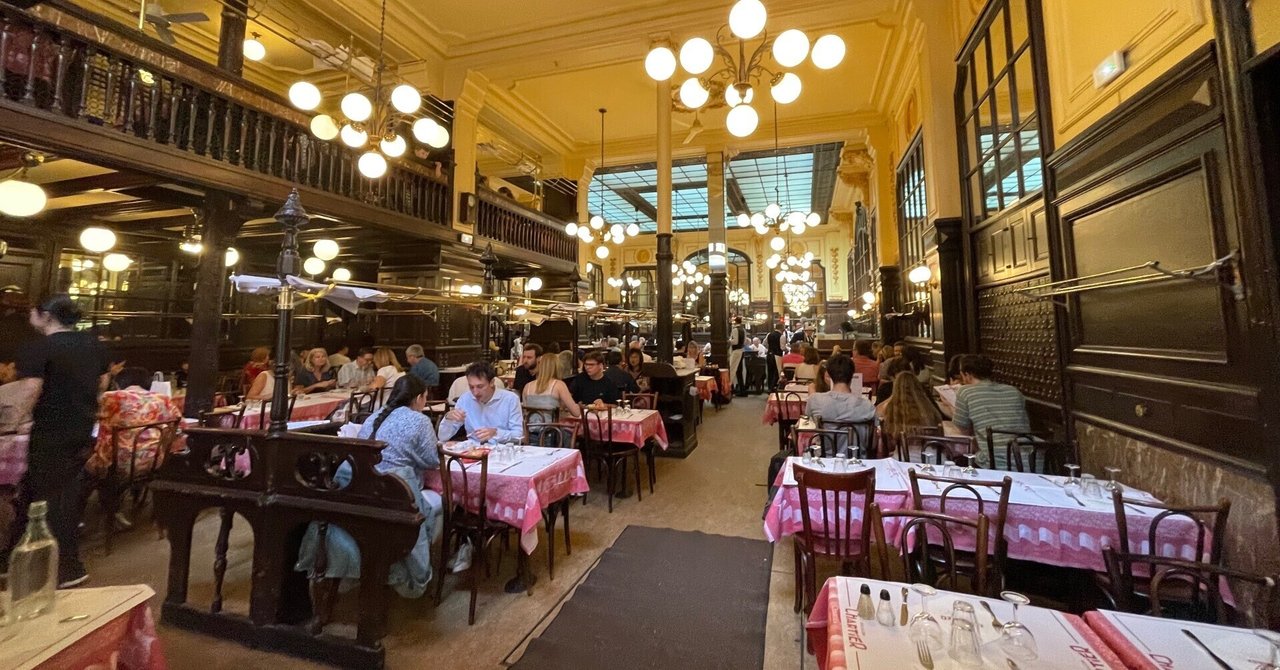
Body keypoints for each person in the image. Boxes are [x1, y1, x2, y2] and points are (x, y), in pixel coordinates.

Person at [296, 375, 440, 598]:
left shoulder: (374, 417)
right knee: (437, 504)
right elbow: (432, 460)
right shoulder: (419, 421)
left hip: (358, 489)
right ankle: (418, 572)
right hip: (395, 493)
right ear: (420, 397)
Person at [3, 294, 109, 587]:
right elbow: (103, 383)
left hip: (51, 431)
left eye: (32, 312)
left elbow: (30, 390)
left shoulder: (39, 348)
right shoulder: (93, 344)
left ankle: (69, 568)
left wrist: (12, 423)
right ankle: (10, 557)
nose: (30, 318)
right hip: (82, 428)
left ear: (46, 315)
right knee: (37, 490)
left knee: (55, 497)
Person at [91, 366, 182, 480]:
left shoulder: (111, 397)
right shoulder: (163, 399)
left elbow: (99, 426)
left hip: (117, 463)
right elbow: (179, 426)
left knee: (79, 463)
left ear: (119, 383)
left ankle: (92, 496)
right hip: (154, 462)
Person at [948, 354, 1031, 469]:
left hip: (993, 462)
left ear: (967, 374)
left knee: (954, 461)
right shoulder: (1014, 391)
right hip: (1028, 460)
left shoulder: (965, 392)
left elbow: (963, 430)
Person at [804, 354, 876, 454]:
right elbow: (873, 444)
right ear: (852, 375)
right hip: (858, 462)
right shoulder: (867, 405)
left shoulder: (815, 400)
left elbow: (809, 419)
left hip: (826, 461)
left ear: (829, 374)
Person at [437, 362, 523, 443]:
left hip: (501, 451)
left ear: (492, 382)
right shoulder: (465, 399)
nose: (475, 392)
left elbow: (519, 435)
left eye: (480, 386)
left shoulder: (510, 399)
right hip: (473, 452)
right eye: (471, 387)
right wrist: (448, 418)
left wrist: (496, 433)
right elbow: (442, 437)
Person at [523, 353, 582, 429]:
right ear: (557, 367)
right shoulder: (559, 385)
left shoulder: (527, 387)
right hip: (551, 433)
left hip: (530, 433)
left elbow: (525, 414)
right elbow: (576, 413)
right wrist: (579, 406)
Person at [878, 370, 943, 438]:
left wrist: (892, 396)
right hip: (928, 446)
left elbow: (877, 414)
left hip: (901, 447)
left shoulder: (891, 408)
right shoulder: (929, 408)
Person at [729, 316, 746, 393]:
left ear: (735, 322)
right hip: (741, 350)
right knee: (739, 370)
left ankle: (730, 387)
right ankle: (741, 389)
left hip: (736, 351)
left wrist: (728, 340)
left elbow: (735, 342)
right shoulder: (743, 330)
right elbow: (745, 341)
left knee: (732, 369)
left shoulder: (735, 329)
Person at [765, 323, 784, 390]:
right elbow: (782, 348)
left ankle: (770, 387)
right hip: (777, 355)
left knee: (770, 372)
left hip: (769, 354)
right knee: (776, 372)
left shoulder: (769, 334)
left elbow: (765, 343)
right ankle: (774, 387)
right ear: (782, 328)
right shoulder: (781, 336)